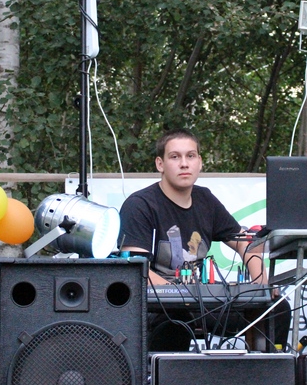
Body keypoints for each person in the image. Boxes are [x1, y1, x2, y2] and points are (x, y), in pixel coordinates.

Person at [118, 128, 291, 352]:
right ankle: (164, 375)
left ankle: (265, 372)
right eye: (175, 157)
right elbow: (134, 270)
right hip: (157, 307)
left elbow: (245, 242)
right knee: (176, 320)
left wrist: (260, 287)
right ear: (160, 164)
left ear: (199, 162)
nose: (184, 164)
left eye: (190, 156)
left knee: (276, 309)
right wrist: (180, 294)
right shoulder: (140, 205)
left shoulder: (205, 200)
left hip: (200, 302)